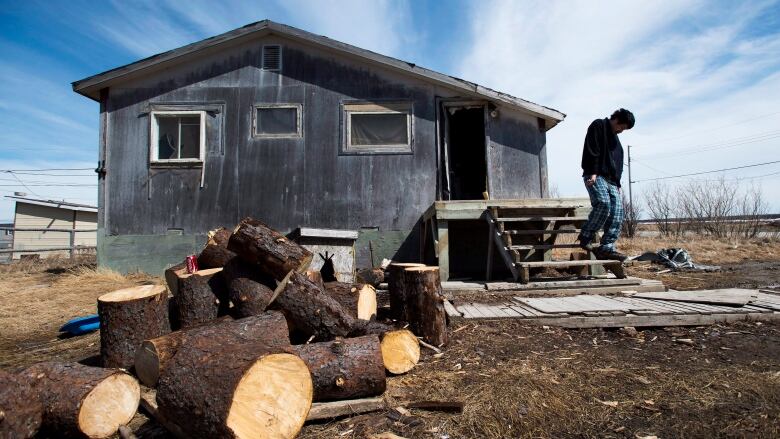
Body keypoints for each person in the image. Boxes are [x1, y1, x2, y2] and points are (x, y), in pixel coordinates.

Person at [577, 108, 635, 261]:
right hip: (595, 174)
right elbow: (592, 149)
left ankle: (607, 247)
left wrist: (617, 183)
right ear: (616, 120)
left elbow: (618, 162)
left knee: (617, 212)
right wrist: (593, 172)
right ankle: (586, 235)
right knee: (603, 203)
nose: (621, 131)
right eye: (621, 127)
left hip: (612, 180)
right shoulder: (598, 126)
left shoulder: (616, 141)